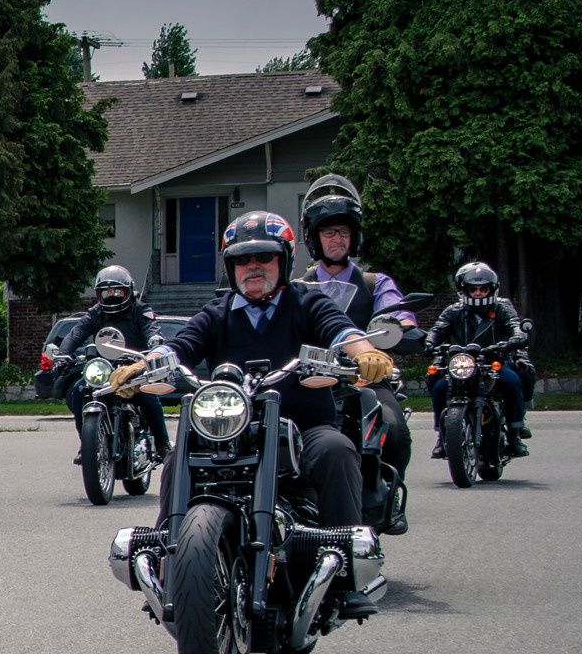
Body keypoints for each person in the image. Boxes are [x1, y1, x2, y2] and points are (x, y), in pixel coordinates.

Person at [121, 211, 394, 529]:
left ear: (285, 260)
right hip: (229, 432)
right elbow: (180, 346)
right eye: (241, 259)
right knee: (178, 457)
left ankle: (346, 556)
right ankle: (171, 551)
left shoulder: (307, 301)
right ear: (230, 266)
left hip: (305, 429)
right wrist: (142, 366)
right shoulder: (216, 314)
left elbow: (339, 329)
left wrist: (365, 352)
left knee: (337, 450)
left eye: (265, 256)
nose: (253, 265)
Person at [299, 174, 417, 502]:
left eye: (344, 232)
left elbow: (399, 316)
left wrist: (401, 327)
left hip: (365, 377)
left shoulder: (374, 283)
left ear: (355, 237)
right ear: (314, 238)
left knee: (393, 430)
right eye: (328, 232)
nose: (337, 239)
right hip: (310, 377)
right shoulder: (298, 286)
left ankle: (387, 496)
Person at [62, 264, 169, 465]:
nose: (111, 296)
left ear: (128, 291)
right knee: (79, 391)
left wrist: (155, 340)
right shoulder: (95, 313)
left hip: (133, 368)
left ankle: (162, 444)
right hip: (104, 370)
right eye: (106, 292)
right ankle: (86, 443)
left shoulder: (140, 310)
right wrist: (62, 354)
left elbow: (151, 328)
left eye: (117, 291)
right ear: (98, 294)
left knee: (147, 394)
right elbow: (76, 334)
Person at [427, 262, 533, 456]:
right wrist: (429, 341)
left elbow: (513, 324)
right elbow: (438, 329)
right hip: (460, 363)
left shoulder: (502, 307)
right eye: (473, 289)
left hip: (493, 362)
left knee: (512, 381)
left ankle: (514, 434)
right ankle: (443, 436)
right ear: (463, 289)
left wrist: (516, 337)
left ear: (491, 289)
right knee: (440, 386)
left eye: (483, 288)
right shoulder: (453, 310)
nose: (478, 292)